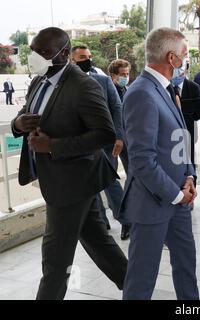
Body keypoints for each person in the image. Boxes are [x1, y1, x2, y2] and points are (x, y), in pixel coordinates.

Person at [11, 27, 128, 300]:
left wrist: (52, 146)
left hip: (73, 182)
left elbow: (104, 134)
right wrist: (19, 123)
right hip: (64, 180)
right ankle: (136, 286)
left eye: (44, 52)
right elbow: (24, 113)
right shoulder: (40, 80)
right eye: (34, 51)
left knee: (55, 258)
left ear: (64, 54)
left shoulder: (83, 85)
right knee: (98, 240)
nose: (36, 57)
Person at [118, 27, 199, 300]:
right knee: (142, 280)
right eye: (185, 56)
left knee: (186, 268)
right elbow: (142, 160)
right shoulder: (141, 93)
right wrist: (177, 194)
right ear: (172, 58)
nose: (187, 62)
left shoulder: (165, 89)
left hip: (179, 201)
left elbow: (179, 140)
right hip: (153, 203)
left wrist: (189, 177)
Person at [71, 45, 131, 241]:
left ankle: (126, 221)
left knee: (110, 181)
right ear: (72, 60)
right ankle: (101, 222)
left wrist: (120, 137)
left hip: (106, 143)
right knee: (91, 185)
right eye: (82, 57)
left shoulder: (104, 81)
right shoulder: (66, 85)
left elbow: (117, 107)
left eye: (88, 56)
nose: (87, 60)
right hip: (80, 145)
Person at [172, 59, 200, 183]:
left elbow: (197, 114)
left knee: (189, 163)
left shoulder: (193, 87)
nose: (178, 71)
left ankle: (191, 191)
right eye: (175, 67)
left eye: (181, 67)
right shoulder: (165, 87)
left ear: (186, 69)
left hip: (187, 132)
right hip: (170, 134)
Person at [108, 59, 131, 175]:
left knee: (131, 169)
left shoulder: (127, 90)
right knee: (112, 171)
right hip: (114, 137)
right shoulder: (108, 91)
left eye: (127, 74)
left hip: (128, 135)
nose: (126, 77)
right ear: (113, 75)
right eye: (122, 74)